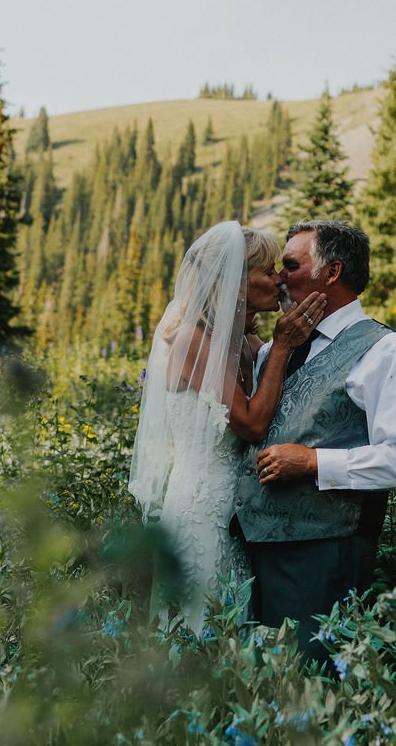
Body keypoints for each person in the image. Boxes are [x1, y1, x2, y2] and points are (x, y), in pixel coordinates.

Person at [232, 218, 396, 661]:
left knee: (313, 690)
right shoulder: (272, 350)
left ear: (332, 273)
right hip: (252, 552)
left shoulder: (388, 352)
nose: (280, 277)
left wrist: (313, 462)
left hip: (324, 554)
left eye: (291, 265)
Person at [129, 220, 324, 633]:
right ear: (236, 282)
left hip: (242, 514)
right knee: (201, 630)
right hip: (199, 509)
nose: (279, 279)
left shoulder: (251, 345)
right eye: (268, 271)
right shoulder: (190, 341)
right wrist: (285, 345)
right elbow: (253, 423)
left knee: (235, 628)